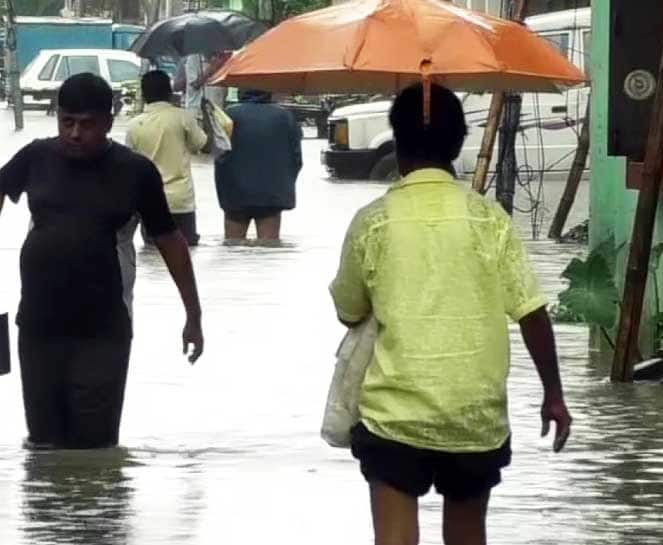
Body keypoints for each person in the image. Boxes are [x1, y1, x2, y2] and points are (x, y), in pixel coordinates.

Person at [329, 83, 572, 545]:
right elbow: (532, 312)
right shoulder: (490, 219)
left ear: (397, 144)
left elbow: (349, 310)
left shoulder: (373, 222)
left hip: (393, 418)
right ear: (459, 143)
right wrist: (553, 395)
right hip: (474, 418)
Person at [0, 73, 204, 450]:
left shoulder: (135, 172)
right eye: (67, 122)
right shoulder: (37, 156)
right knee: (43, 445)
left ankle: (95, 509)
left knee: (95, 449)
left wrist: (193, 315)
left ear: (109, 122)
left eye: (87, 124)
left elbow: (171, 242)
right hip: (38, 325)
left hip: (105, 329)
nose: (75, 134)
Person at [127, 71, 208, 246]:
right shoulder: (183, 117)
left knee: (153, 252)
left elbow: (128, 167)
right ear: (169, 92)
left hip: (148, 201)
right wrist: (206, 114)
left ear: (144, 94)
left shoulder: (134, 125)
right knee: (185, 254)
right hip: (181, 201)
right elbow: (201, 145)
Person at [215, 89, 303, 242]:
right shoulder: (285, 117)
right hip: (272, 195)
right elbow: (296, 159)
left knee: (232, 248)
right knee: (268, 249)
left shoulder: (227, 116)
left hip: (234, 194)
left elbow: (218, 154)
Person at [176, 51, 231, 119]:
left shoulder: (224, 57)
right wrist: (211, 68)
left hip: (217, 112)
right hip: (197, 113)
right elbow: (195, 85)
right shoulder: (193, 58)